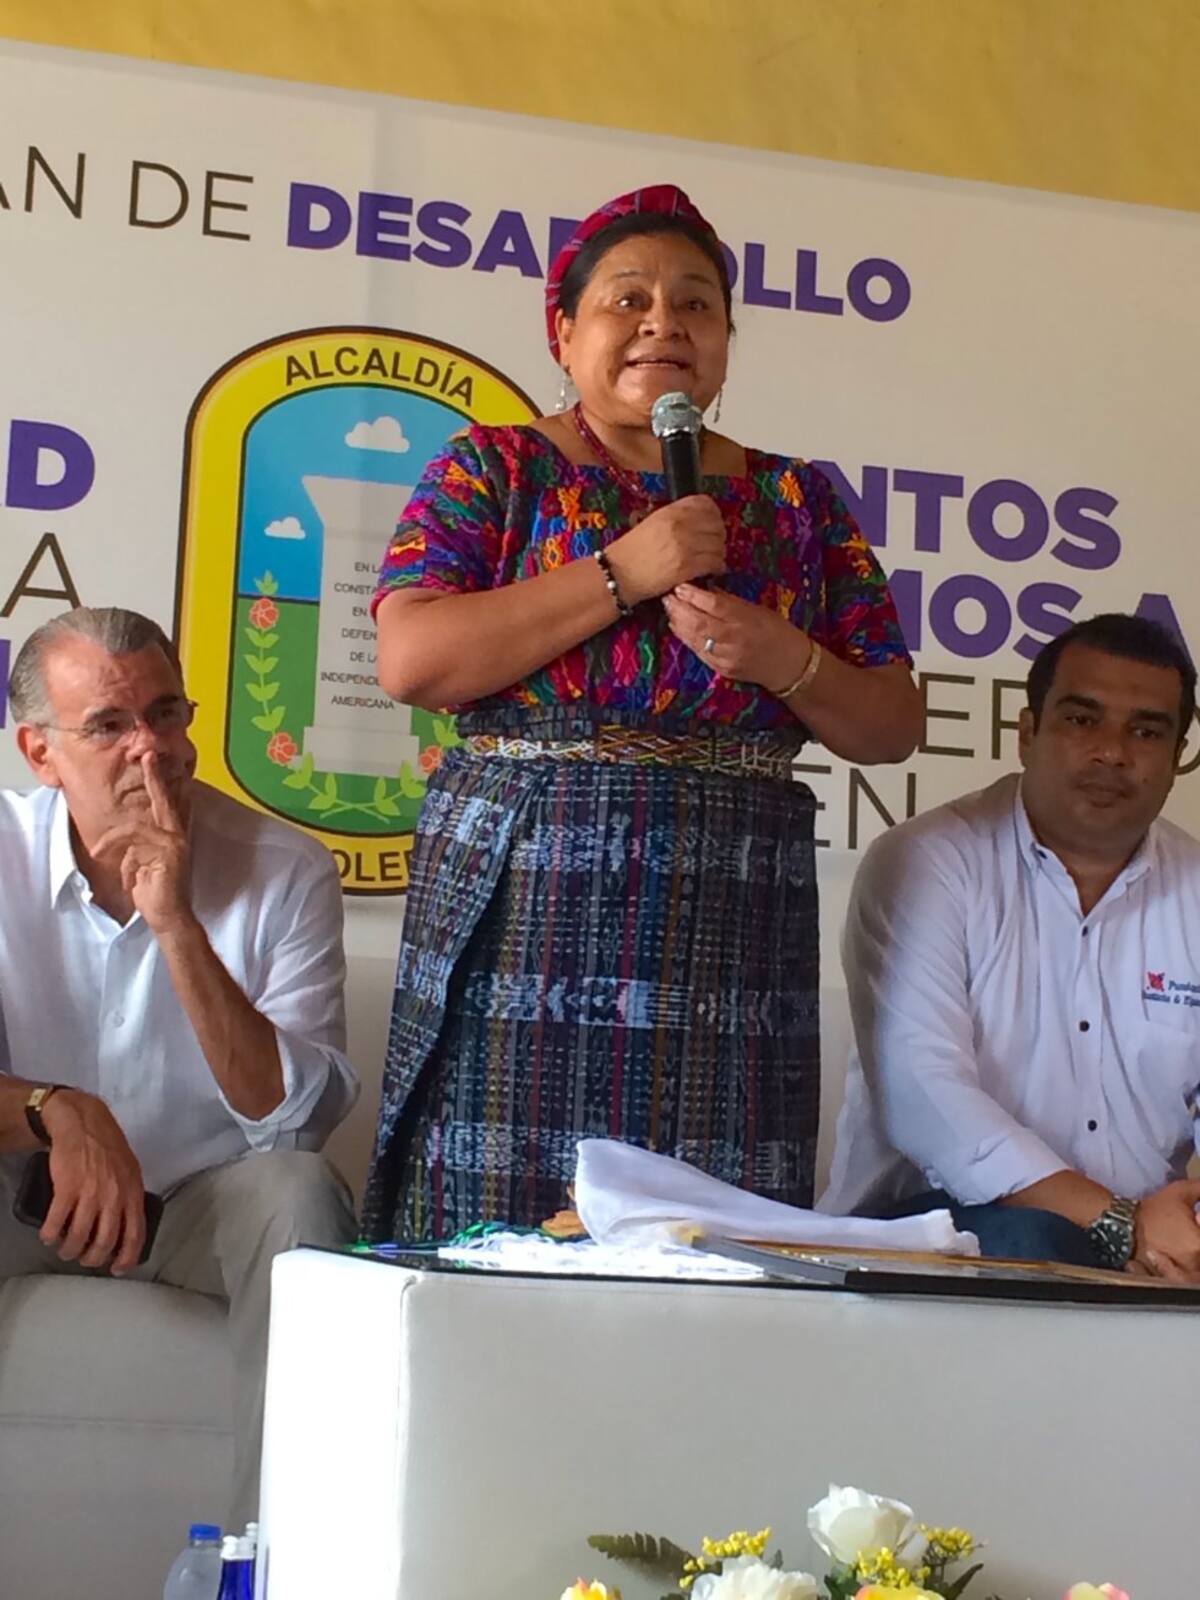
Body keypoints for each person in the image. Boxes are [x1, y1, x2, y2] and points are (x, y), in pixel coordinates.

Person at [365, 182, 920, 1244]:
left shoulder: (798, 501)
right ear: (563, 334)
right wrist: (624, 570)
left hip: (732, 908)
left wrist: (787, 659)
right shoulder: (495, 466)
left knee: (710, 1234)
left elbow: (891, 725)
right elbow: (413, 658)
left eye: (696, 304)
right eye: (628, 300)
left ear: (726, 343)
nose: (664, 324)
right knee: (500, 1223)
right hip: (529, 891)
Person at [0, 606, 360, 1523]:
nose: (151, 749)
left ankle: (278, 1561)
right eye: (109, 726)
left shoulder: (287, 869)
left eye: (165, 714)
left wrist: (175, 923)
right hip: (23, 1196)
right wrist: (55, 1109)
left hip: (201, 1206)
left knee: (300, 1193)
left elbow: (292, 1124)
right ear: (40, 753)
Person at [821, 613, 1200, 1279]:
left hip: (1146, 1251)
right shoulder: (929, 862)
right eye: (1082, 720)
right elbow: (928, 1099)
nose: (1112, 752)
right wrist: (1120, 1223)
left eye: (1146, 731)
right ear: (1028, 734)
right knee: (1034, 1240)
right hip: (929, 1233)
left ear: (1178, 758)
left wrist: (1180, 1232)